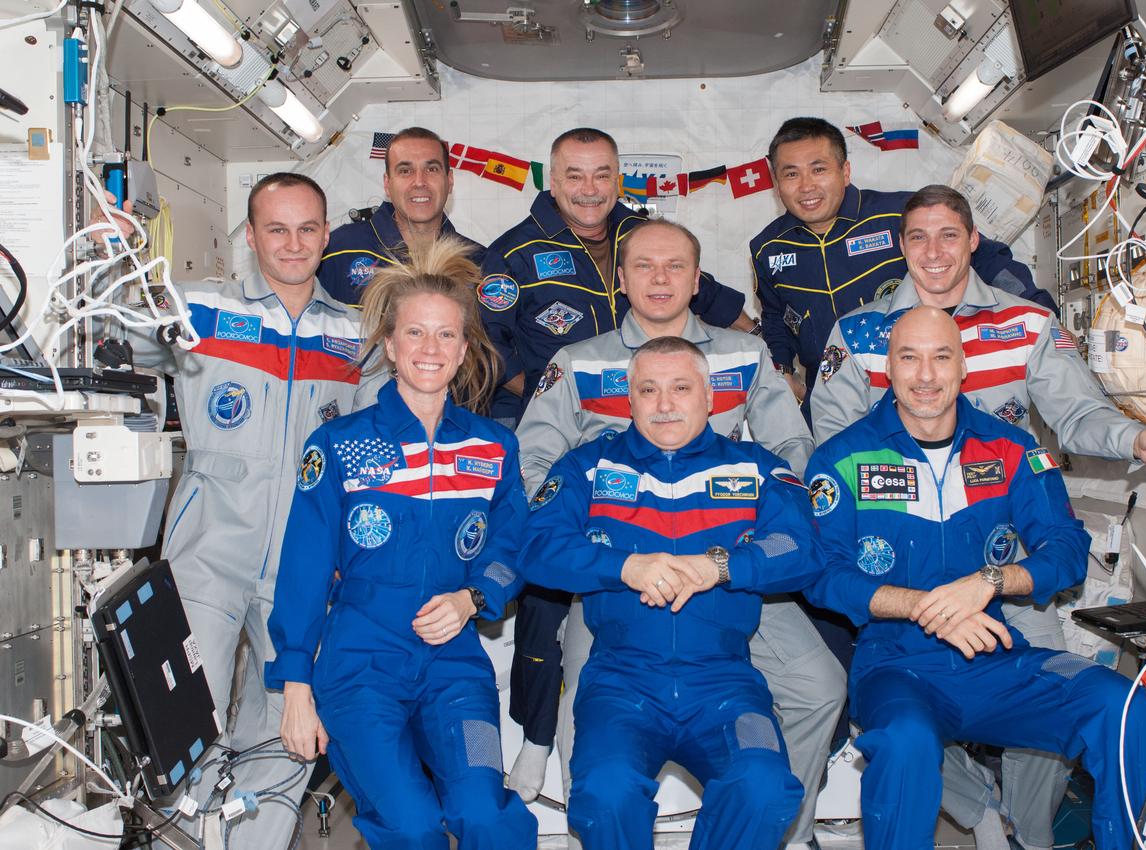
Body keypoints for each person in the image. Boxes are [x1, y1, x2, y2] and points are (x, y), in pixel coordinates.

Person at [809, 184, 1146, 850]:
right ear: (886, 366)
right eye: (908, 360)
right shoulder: (852, 387)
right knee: (908, 738)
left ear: (964, 366)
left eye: (942, 358)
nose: (925, 376)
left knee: (1116, 707)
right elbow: (826, 564)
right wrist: (923, 603)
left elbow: (1063, 529)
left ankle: (1030, 833)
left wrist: (991, 584)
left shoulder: (1016, 399)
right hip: (901, 637)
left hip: (1003, 618)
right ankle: (976, 812)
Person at [509, 220, 842, 850]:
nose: (659, 279)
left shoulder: (744, 355)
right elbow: (533, 471)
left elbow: (792, 447)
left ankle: (775, 826)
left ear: (697, 279)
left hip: (730, 561)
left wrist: (739, 543)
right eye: (643, 266)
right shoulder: (579, 361)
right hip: (617, 567)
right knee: (590, 708)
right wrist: (608, 548)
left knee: (820, 688)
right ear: (620, 277)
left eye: (674, 267)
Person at [92, 174, 372, 846]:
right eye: (277, 229)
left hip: (303, 565)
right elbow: (107, 340)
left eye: (308, 228)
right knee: (186, 721)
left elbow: (375, 449)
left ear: (326, 235)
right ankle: (177, 841)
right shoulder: (201, 312)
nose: (293, 243)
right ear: (250, 237)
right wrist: (107, 255)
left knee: (289, 726)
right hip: (209, 552)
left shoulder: (357, 335)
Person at [265, 237, 537, 849]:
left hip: (455, 665)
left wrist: (473, 598)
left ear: (465, 347)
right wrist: (295, 689)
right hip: (360, 665)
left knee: (486, 816)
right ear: (390, 345)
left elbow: (512, 542)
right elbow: (304, 569)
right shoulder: (339, 445)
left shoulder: (494, 446)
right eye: (415, 333)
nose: (430, 349)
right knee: (411, 827)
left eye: (445, 335)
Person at [751, 116, 1051, 408]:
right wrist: (783, 372)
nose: (806, 186)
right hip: (831, 399)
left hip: (920, 391)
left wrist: (1043, 316)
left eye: (819, 169)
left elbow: (986, 259)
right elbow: (775, 319)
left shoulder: (900, 214)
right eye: (791, 174)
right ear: (776, 182)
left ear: (845, 171)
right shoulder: (766, 248)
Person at [480, 127, 754, 418]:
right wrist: (544, 397)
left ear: (617, 181)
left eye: (601, 175)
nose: (589, 190)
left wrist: (757, 337)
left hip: (652, 412)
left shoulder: (641, 233)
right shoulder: (513, 252)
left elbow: (702, 290)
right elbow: (487, 342)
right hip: (562, 420)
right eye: (575, 177)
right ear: (554, 183)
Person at [317, 126, 483, 306]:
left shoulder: (479, 263)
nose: (419, 182)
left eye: (432, 169)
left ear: (449, 181)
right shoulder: (336, 250)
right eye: (405, 171)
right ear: (387, 184)